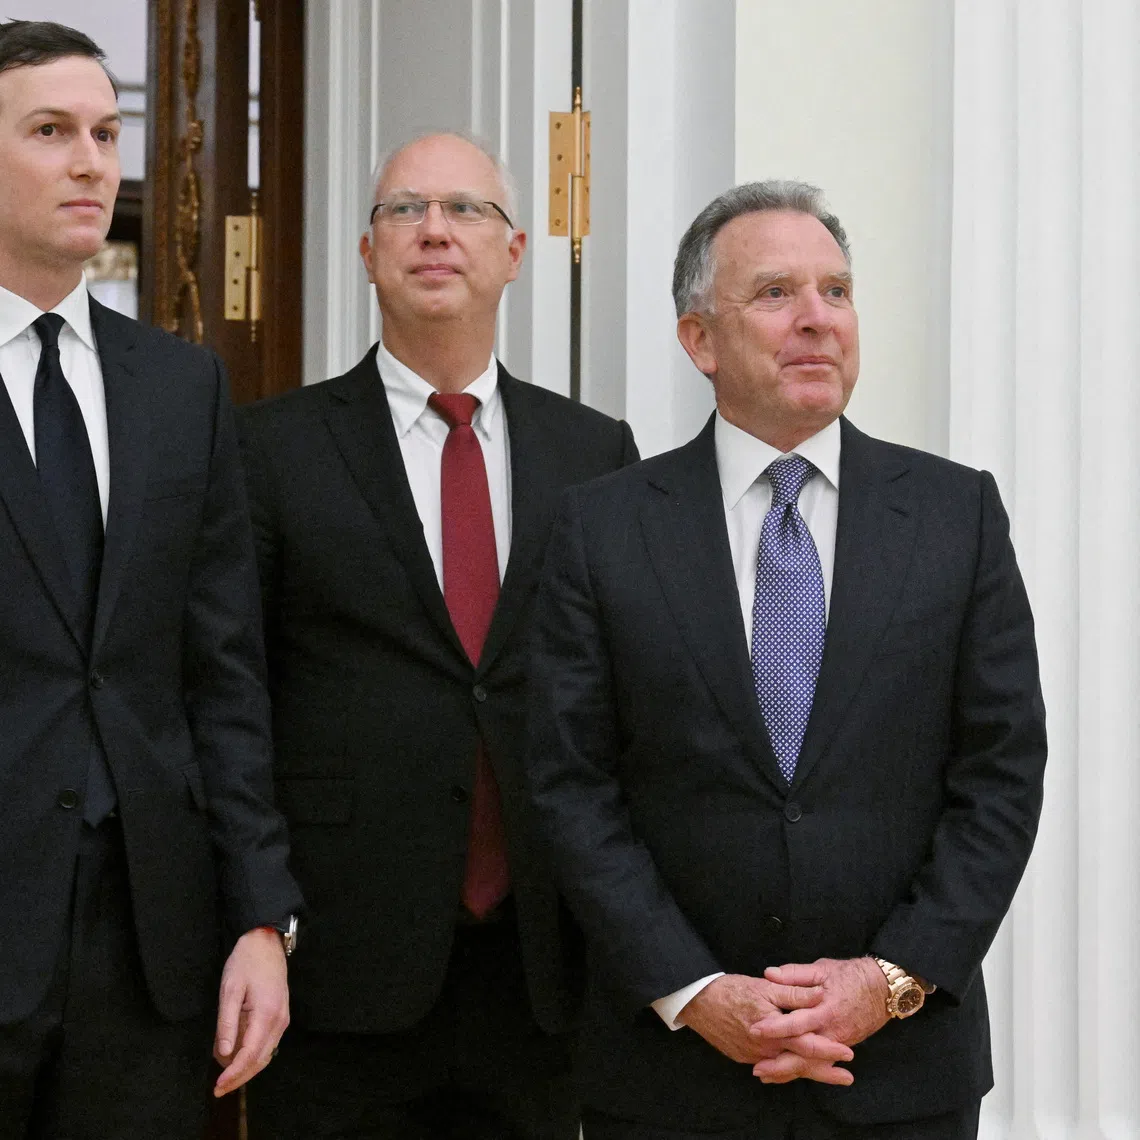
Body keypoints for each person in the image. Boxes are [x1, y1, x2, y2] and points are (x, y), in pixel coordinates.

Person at [525, 180, 1046, 1140]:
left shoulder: (955, 514)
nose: (817, 320)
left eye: (837, 292)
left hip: (897, 1072)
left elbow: (1003, 775)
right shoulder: (601, 528)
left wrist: (889, 981)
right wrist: (692, 990)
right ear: (699, 340)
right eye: (775, 294)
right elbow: (569, 783)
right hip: (670, 1075)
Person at [239, 131, 639, 1139]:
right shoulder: (270, 448)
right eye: (402, 210)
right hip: (338, 964)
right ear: (368, 254)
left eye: (467, 210)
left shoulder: (596, 454)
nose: (433, 232)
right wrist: (257, 912)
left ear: (515, 253)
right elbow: (230, 694)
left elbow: (624, 701)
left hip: (541, 969)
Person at [0, 19, 303, 1140]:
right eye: (49, 132)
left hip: (152, 950)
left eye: (106, 131)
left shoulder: (183, 390)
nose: (91, 162)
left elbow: (225, 674)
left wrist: (262, 918)